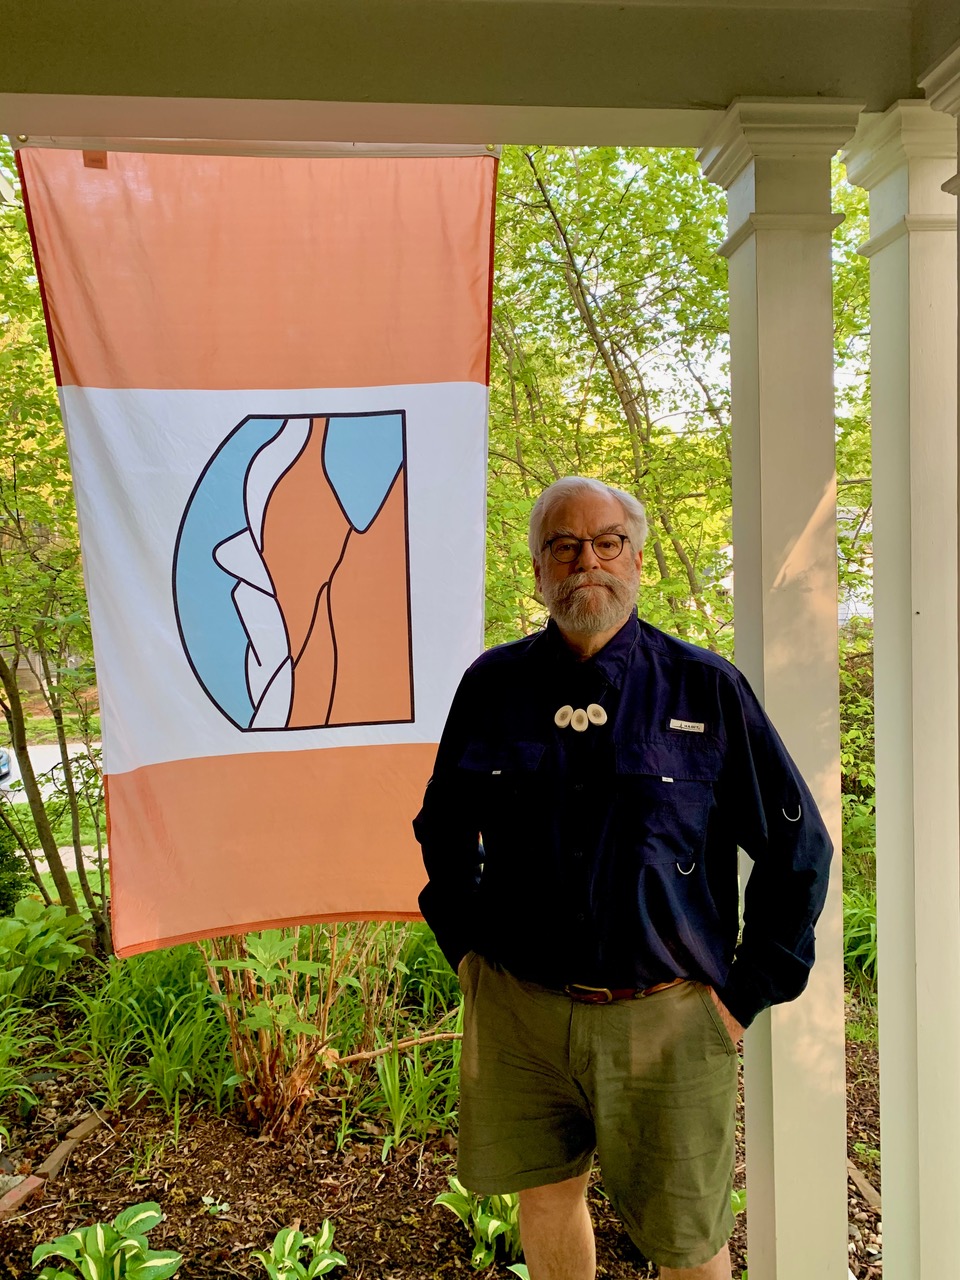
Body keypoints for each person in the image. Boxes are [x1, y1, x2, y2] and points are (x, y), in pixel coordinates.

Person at [415, 476, 832, 1280]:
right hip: (520, 1015)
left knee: (688, 1239)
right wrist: (468, 952)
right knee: (544, 1198)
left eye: (607, 543)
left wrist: (744, 995)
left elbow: (797, 845)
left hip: (669, 1020)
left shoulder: (706, 689)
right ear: (537, 570)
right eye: (564, 547)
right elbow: (442, 827)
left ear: (637, 561)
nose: (587, 563)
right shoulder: (491, 687)